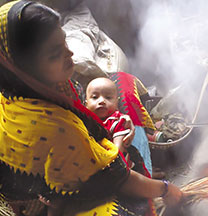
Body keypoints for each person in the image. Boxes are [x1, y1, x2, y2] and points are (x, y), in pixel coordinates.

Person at [0, 1, 183, 216]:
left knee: (122, 83)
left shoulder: (30, 87)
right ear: (22, 67)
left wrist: (115, 126)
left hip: (77, 160)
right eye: (54, 54)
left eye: (65, 42)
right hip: (56, 200)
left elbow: (83, 114)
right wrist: (165, 188)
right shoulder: (54, 127)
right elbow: (116, 178)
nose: (70, 54)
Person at [85, 77, 131, 154]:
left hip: (112, 163)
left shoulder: (118, 121)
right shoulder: (83, 120)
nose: (102, 101)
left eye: (108, 97)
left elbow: (117, 152)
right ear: (86, 103)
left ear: (116, 103)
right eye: (95, 97)